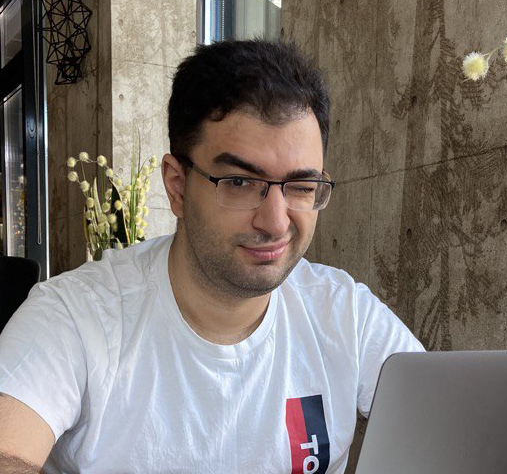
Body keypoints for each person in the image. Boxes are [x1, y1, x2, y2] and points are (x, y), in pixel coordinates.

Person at [0, 40, 425, 474]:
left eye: (301, 186)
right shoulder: (76, 315)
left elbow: (444, 426)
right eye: (239, 182)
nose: (275, 222)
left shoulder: (345, 315)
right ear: (177, 186)